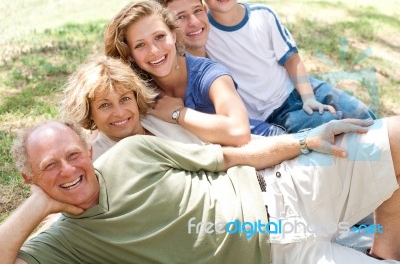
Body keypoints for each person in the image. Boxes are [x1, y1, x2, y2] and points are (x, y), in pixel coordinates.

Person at [149, 0, 378, 253]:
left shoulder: (220, 43)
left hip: (282, 118)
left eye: (198, 11)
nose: (195, 22)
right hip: (262, 151)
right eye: (181, 18)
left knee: (361, 137)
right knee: (350, 171)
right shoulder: (170, 73)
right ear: (168, 29)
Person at [1, 116, 400, 263]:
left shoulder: (132, 152)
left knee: (394, 136)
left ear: (88, 150)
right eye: (49, 166)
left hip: (283, 189)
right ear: (30, 180)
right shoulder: (65, 244)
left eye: (72, 155)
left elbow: (228, 157)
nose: (68, 169)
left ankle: (384, 251)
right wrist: (39, 204)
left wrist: (302, 142)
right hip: (281, 255)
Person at [189, 0, 376, 133]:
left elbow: (292, 60)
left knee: (362, 114)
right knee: (331, 125)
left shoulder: (263, 16)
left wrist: (308, 98)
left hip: (302, 87)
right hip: (274, 113)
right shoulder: (203, 32)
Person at [104, 0, 284, 146]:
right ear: (131, 56)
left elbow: (239, 132)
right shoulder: (136, 86)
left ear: (174, 35)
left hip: (266, 141)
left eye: (160, 37)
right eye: (140, 45)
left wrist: (178, 113)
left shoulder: (210, 74)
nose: (154, 50)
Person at [60, 56, 205, 160]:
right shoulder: (98, 160)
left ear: (136, 98)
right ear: (89, 112)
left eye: (125, 99)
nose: (119, 112)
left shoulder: (162, 117)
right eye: (104, 105)